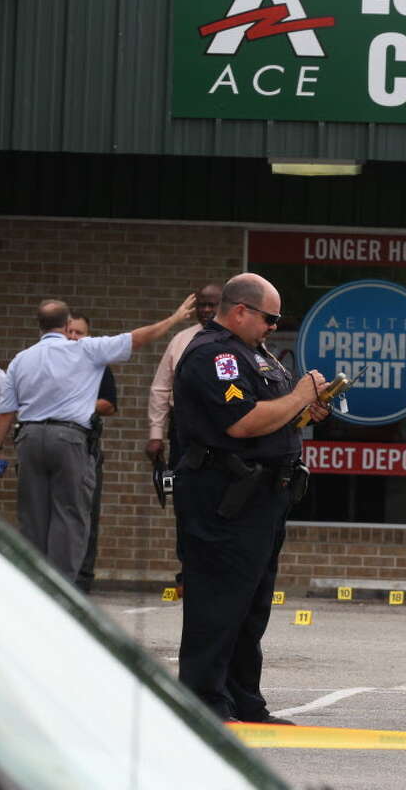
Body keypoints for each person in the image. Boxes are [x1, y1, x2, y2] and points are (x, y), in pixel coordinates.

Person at [172, 272, 329, 723]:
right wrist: (298, 395)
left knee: (251, 604)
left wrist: (305, 406)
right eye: (270, 318)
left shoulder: (256, 355)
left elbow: (274, 417)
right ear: (240, 310)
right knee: (217, 603)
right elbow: (241, 422)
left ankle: (244, 701)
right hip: (224, 496)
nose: (274, 327)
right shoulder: (213, 354)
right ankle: (204, 704)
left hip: (263, 496)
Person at [0, 296, 196, 582]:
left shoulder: (21, 360)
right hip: (69, 439)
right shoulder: (85, 350)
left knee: (33, 516)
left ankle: (34, 585)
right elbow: (137, 338)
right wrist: (175, 319)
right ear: (67, 325)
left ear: (39, 326)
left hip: (28, 438)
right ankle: (62, 589)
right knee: (69, 515)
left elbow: (5, 413)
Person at [66, 314, 119, 594]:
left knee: (86, 516)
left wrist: (73, 401)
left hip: (85, 447)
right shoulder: (48, 361)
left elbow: (109, 404)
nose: (74, 337)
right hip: (52, 447)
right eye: (69, 331)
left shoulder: (97, 365)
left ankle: (82, 581)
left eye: (80, 332)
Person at [146, 283, 222, 468]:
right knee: (182, 486)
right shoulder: (181, 340)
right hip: (183, 427)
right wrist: (156, 434)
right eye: (201, 305)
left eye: (211, 305)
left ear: (224, 305)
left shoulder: (239, 339)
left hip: (222, 427)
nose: (205, 310)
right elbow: (161, 388)